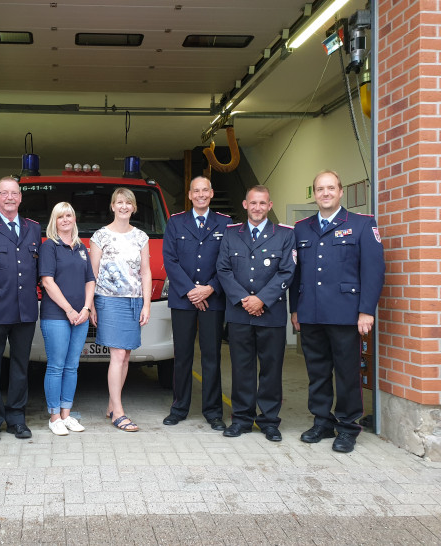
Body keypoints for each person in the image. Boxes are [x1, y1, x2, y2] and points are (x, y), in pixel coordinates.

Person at [290, 170, 385, 453]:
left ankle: (347, 426)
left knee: (347, 373)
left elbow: (374, 271)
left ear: (341, 192)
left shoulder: (361, 225)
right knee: (317, 372)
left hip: (346, 314)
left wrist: (366, 311)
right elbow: (296, 274)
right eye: (320, 189)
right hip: (311, 313)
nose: (325, 193)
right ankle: (322, 421)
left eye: (331, 188)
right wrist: (295, 310)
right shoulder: (301, 228)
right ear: (315, 194)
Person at [216, 185, 295, 442]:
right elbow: (223, 270)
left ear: (269, 206)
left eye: (262, 203)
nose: (258, 208)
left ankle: (270, 421)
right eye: (253, 203)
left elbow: (287, 271)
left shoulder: (284, 235)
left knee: (271, 370)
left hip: (270, 314)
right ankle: (241, 419)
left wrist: (262, 299)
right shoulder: (230, 235)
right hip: (239, 314)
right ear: (245, 204)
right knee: (241, 369)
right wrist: (244, 299)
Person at [0, 176, 41, 443]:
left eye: (14, 193)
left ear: (21, 198)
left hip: (25, 309)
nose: (10, 198)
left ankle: (16, 418)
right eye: (5, 193)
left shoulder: (33, 228)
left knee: (20, 367)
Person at [162, 176, 231, 430]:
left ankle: (213, 412)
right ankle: (179, 408)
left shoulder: (225, 223)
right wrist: (192, 291)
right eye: (196, 191)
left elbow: (227, 261)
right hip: (183, 299)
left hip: (213, 299)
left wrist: (210, 288)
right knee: (182, 356)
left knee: (211, 356)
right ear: (189, 195)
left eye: (205, 190)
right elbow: (170, 259)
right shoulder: (175, 222)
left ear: (211, 193)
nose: (201, 195)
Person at [89, 187, 151, 432]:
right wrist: (91, 303)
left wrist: (146, 304)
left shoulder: (141, 237)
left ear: (134, 208)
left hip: (134, 300)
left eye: (129, 203)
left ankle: (111, 404)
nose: (124, 206)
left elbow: (145, 272)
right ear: (112, 206)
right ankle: (119, 412)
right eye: (119, 202)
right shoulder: (100, 236)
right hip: (109, 300)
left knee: (126, 355)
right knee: (117, 355)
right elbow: (92, 273)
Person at [39, 202, 95, 436]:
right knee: (56, 366)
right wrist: (70, 311)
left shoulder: (82, 247)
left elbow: (90, 280)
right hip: (56, 316)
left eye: (69, 215)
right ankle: (54, 417)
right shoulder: (49, 247)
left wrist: (86, 309)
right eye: (60, 216)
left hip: (81, 315)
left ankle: (66, 414)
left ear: (74, 219)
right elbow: (47, 282)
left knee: (72, 366)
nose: (65, 219)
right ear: (55, 220)